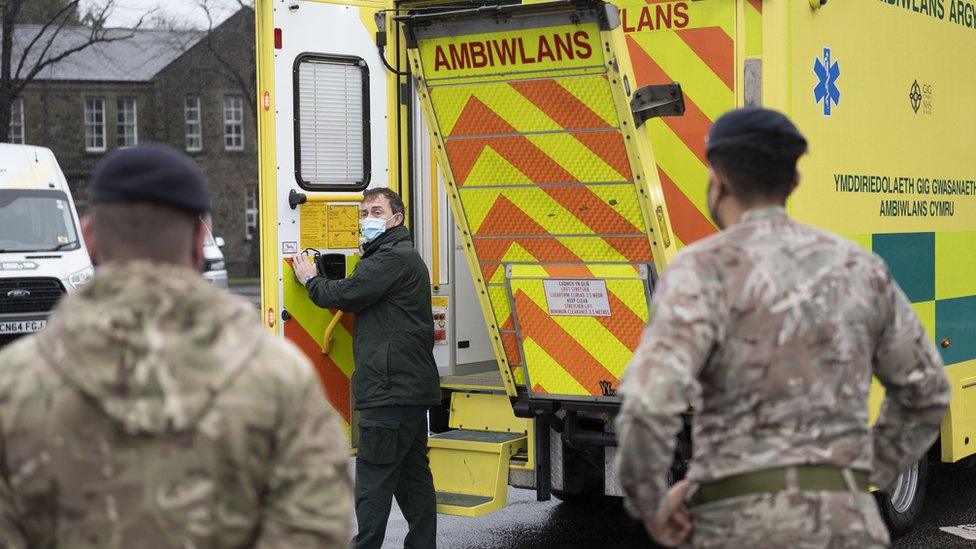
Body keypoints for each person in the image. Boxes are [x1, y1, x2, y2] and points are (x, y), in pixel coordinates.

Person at [615, 108, 951, 548]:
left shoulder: (698, 272)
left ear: (718, 179)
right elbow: (926, 390)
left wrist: (653, 502)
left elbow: (648, 402)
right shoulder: (858, 268)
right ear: (793, 182)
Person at [0, 144, 352, 548]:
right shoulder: (277, 376)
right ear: (200, 238)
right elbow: (317, 530)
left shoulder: (16, 383)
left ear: (90, 237)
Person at [292, 187, 440, 549]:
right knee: (412, 479)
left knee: (373, 483)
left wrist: (310, 279)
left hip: (388, 391)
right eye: (364, 213)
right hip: (408, 391)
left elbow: (345, 294)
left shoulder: (390, 259)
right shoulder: (398, 256)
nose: (367, 219)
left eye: (376, 212)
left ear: (396, 219)